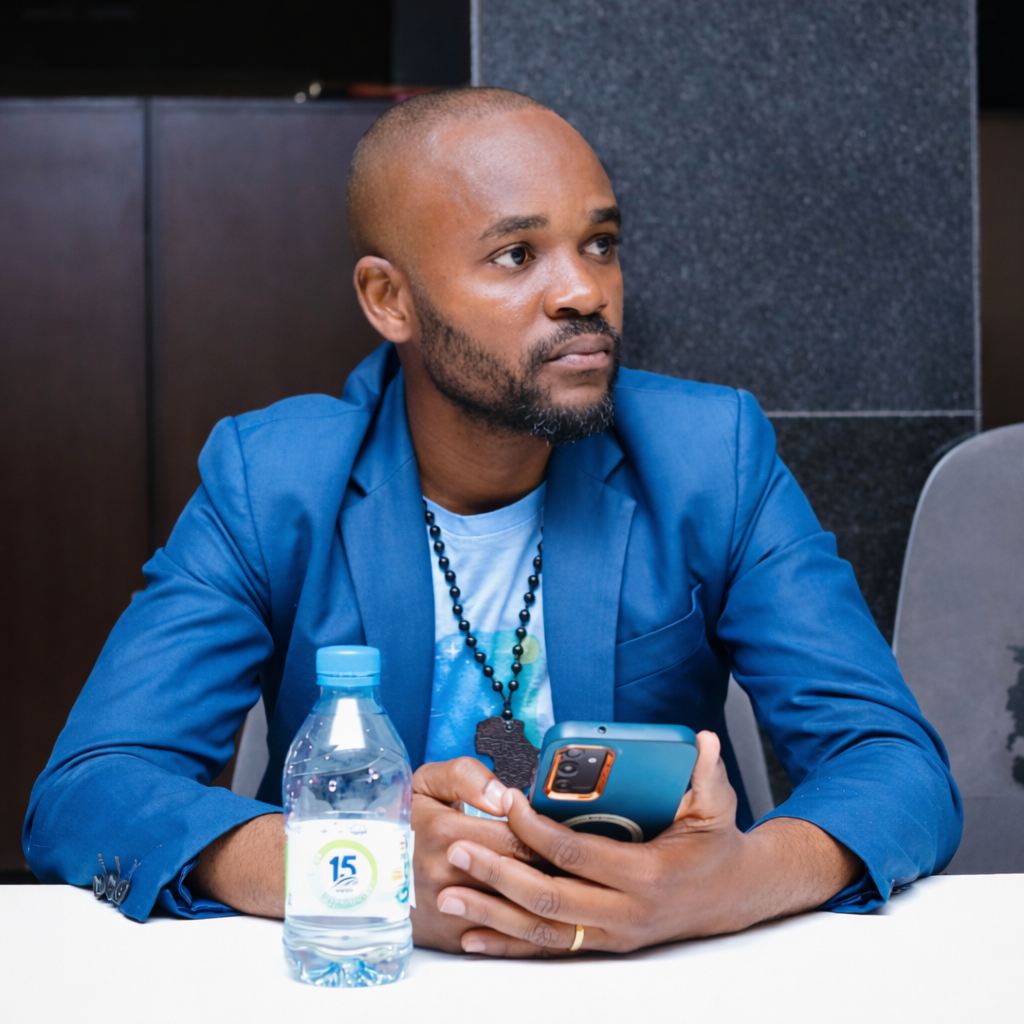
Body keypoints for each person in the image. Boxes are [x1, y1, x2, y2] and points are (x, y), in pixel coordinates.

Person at [24, 87, 961, 956]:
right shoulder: (274, 480)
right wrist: (364, 873)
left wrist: (727, 883)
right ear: (390, 300)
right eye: (517, 256)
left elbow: (894, 765)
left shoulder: (710, 454)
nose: (583, 292)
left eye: (600, 243)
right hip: (368, 981)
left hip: (654, 981)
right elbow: (90, 793)